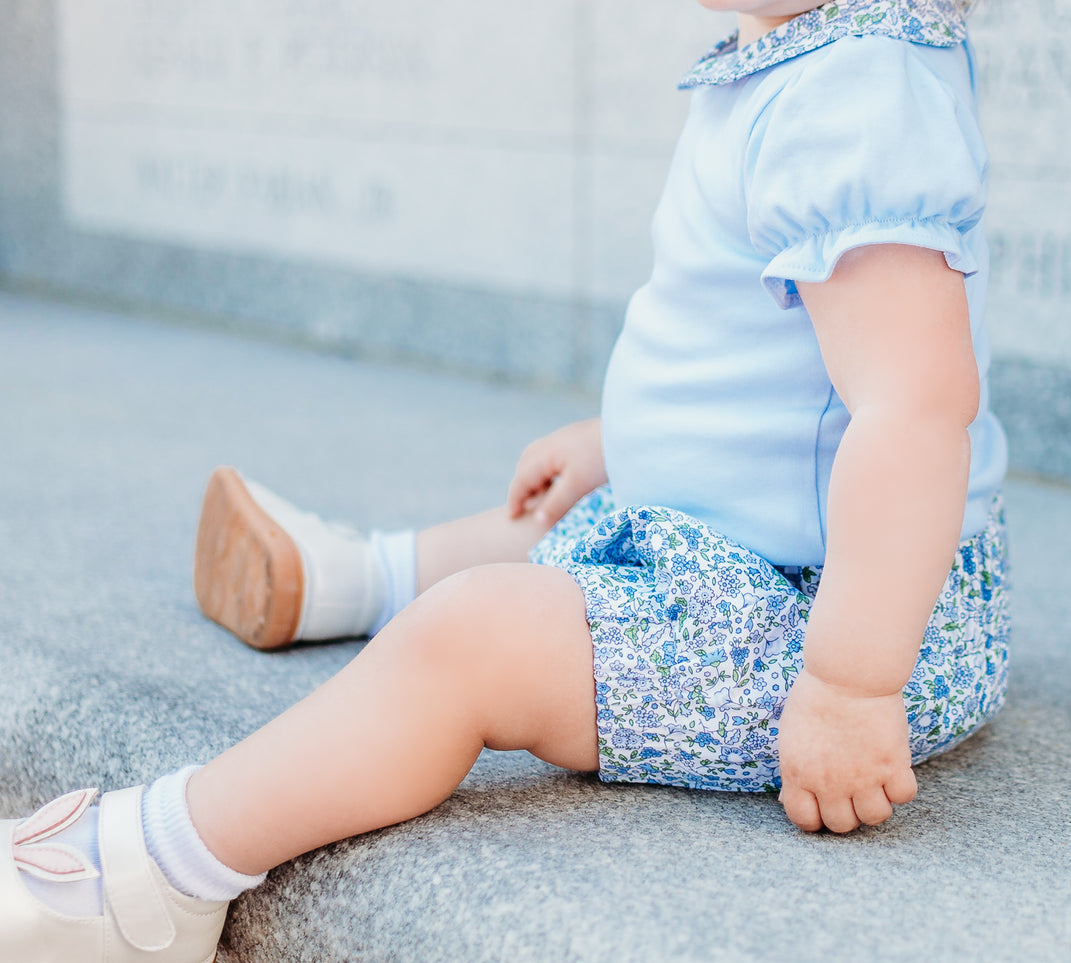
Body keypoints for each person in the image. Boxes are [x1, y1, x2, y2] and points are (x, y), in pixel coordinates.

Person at [0, 1, 1011, 959]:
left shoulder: (854, 102)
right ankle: (351, 576)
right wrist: (628, 438)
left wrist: (847, 684)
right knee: (567, 518)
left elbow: (911, 414)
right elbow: (767, 370)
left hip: (826, 623)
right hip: (758, 553)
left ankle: (156, 874)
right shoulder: (806, 54)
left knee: (476, 637)